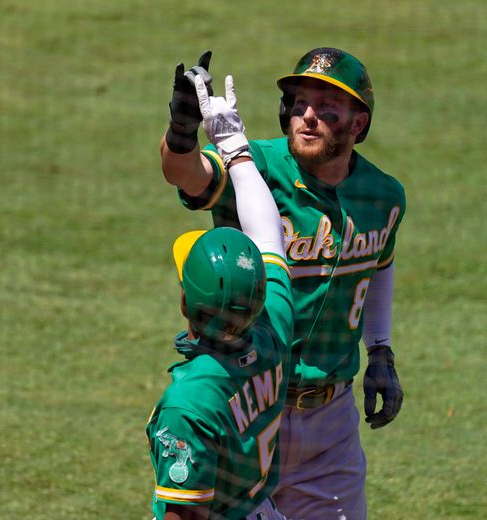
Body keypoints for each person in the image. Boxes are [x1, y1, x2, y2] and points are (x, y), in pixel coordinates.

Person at [160, 48, 406, 519]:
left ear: (358, 125)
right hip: (250, 408)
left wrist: (381, 351)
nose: (307, 118)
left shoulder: (384, 196)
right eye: (299, 106)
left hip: (330, 423)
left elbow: (381, 265)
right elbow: (187, 174)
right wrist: (182, 133)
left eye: (327, 110)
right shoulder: (254, 168)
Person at [146, 74, 293, 519]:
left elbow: (185, 515)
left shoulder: (190, 402)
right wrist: (235, 146)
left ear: (186, 304)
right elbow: (268, 232)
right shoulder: (274, 331)